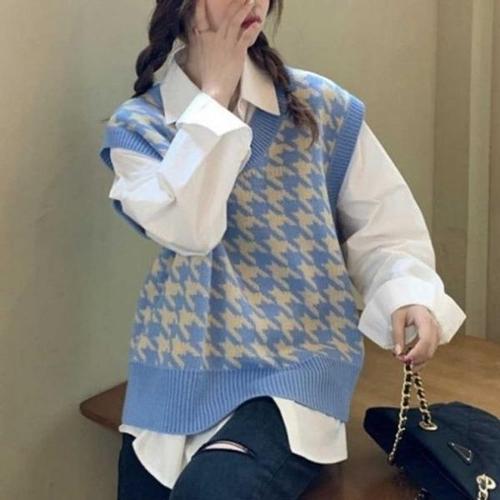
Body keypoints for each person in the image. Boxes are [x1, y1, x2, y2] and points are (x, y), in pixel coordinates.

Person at [98, 0, 467, 498]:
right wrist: (214, 95)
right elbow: (191, 230)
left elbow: (384, 230)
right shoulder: (139, 126)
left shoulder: (320, 107)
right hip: (175, 371)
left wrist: (408, 293)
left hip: (296, 367)